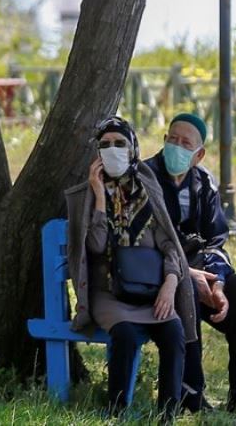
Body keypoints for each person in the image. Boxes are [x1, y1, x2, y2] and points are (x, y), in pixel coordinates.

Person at [65, 115, 197, 419]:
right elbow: (95, 247)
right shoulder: (86, 196)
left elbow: (170, 245)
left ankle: (167, 415)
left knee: (173, 331)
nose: (113, 150)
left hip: (152, 290)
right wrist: (100, 196)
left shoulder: (148, 187)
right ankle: (117, 412)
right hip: (110, 293)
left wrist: (170, 284)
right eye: (105, 145)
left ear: (133, 147)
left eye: (120, 143)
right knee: (124, 335)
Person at [144, 112, 236, 412]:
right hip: (159, 278)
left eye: (185, 143)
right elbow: (144, 242)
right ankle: (191, 391)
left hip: (198, 273)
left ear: (198, 154)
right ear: (164, 141)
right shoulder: (145, 178)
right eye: (172, 139)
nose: (176, 146)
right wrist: (187, 273)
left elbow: (216, 239)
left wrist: (217, 283)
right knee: (186, 287)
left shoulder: (204, 184)